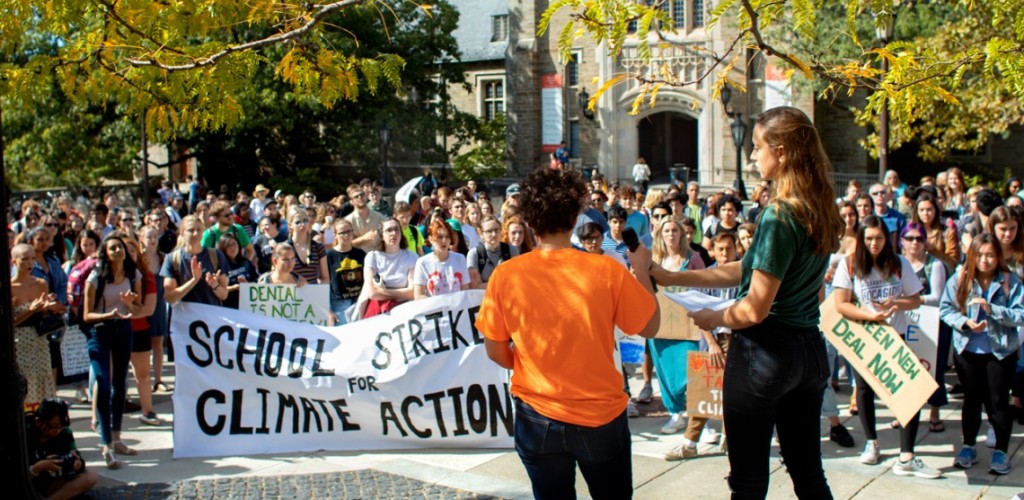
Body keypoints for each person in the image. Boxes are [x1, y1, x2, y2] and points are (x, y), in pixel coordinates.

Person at [650, 107, 839, 498]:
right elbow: (748, 268)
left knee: (748, 481)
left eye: (757, 148)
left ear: (782, 152)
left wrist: (711, 317)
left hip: (765, 353)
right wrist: (674, 277)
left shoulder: (779, 215)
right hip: (809, 350)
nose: (753, 156)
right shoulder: (818, 206)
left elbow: (754, 307)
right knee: (808, 472)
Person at [475, 167, 659, 499]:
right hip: (599, 415)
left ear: (529, 221)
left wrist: (534, 366)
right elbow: (649, 326)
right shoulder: (605, 270)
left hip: (537, 413)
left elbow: (496, 350)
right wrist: (643, 272)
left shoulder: (506, 275)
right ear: (575, 218)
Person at [832, 215, 939, 478]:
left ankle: (907, 455)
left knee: (908, 394)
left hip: (895, 337)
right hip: (865, 336)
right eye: (868, 238)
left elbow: (915, 300)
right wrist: (871, 316)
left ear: (887, 238)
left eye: (879, 238)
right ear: (860, 239)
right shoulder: (849, 264)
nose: (874, 243)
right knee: (864, 390)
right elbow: (840, 304)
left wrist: (895, 304)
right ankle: (872, 443)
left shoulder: (899, 263)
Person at [940, 233, 1024, 475]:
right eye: (979, 255)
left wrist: (992, 310)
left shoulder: (1010, 281)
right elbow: (945, 309)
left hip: (1000, 352)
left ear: (998, 256)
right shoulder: (960, 278)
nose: (985, 260)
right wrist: (965, 322)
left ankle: (1001, 450)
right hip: (968, 350)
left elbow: (1020, 314)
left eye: (990, 255)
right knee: (971, 401)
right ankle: (968, 446)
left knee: (998, 402)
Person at [82, 235, 143, 469]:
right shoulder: (96, 278)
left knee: (120, 385)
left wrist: (128, 304)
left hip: (123, 329)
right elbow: (86, 315)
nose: (118, 251)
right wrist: (109, 315)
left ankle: (117, 438)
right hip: (99, 331)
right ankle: (106, 444)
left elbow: (137, 309)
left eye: (121, 248)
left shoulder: (133, 275)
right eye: (113, 248)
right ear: (105, 253)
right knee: (103, 384)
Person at [648, 217, 706, 437]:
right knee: (665, 371)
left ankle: (697, 415)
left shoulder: (693, 258)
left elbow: (703, 287)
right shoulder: (654, 259)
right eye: (666, 231)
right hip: (660, 324)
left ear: (682, 234)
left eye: (675, 230)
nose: (671, 234)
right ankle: (675, 413)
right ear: (660, 235)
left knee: (688, 370)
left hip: (688, 324)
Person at [899, 222, 951, 433]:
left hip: (932, 326)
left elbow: (937, 297)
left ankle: (935, 412)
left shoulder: (934, 265)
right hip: (905, 323)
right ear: (902, 241)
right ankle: (906, 413)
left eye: (919, 239)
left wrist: (907, 299)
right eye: (910, 238)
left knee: (933, 370)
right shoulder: (897, 262)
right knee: (905, 370)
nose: (914, 243)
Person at [11, 244, 62, 410]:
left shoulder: (41, 283)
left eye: (33, 258)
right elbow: (12, 323)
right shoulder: (10, 288)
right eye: (24, 259)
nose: (29, 263)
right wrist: (30, 310)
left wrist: (50, 308)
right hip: (19, 343)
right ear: (14, 261)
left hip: (39, 341)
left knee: (42, 381)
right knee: (25, 383)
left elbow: (44, 315)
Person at [120, 234, 160, 426]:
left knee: (142, 375)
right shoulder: (107, 278)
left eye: (132, 250)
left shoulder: (147, 276)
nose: (128, 255)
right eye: (123, 251)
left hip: (139, 331)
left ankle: (148, 411)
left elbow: (148, 310)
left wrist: (125, 309)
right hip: (115, 332)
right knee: (112, 376)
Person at [27, 398, 99, 500]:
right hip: (28, 483)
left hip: (51, 482)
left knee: (91, 476)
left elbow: (78, 460)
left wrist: (77, 464)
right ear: (38, 422)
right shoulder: (25, 434)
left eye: (60, 426)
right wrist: (38, 468)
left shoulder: (64, 434)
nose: (57, 431)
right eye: (53, 426)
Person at [161, 215, 230, 306]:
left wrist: (215, 285)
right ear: (181, 233)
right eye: (191, 230)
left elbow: (224, 295)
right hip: (185, 317)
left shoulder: (216, 255)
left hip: (212, 315)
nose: (196, 233)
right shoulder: (172, 259)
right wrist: (194, 280)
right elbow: (169, 297)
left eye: (199, 230)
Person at [361, 218, 418, 318]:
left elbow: (414, 292)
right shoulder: (372, 257)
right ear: (381, 236)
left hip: (404, 311)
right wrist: (402, 293)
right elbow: (373, 293)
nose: (393, 233)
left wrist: (383, 291)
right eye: (389, 230)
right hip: (378, 312)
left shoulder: (412, 257)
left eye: (397, 229)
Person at [413, 219, 469, 299]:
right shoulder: (422, 262)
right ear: (430, 239)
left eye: (447, 237)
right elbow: (418, 295)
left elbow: (465, 289)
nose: (444, 240)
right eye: (439, 237)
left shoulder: (460, 259)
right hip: (434, 309)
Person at [325, 219, 365, 325]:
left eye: (349, 231)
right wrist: (328, 309)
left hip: (359, 301)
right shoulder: (329, 256)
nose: (346, 235)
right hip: (339, 303)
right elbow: (324, 281)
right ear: (335, 235)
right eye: (342, 233)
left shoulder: (361, 254)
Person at [468, 216, 518, 288]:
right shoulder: (474, 254)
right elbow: (474, 286)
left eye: (496, 230)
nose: (494, 234)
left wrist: (485, 284)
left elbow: (516, 279)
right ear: (481, 233)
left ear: (501, 230)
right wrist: (503, 284)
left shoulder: (511, 250)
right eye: (489, 231)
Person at [286, 207, 329, 285]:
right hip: (292, 293)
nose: (302, 224)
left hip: (313, 293)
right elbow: (278, 278)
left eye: (305, 221)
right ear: (290, 225)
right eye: (298, 222)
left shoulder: (318, 247)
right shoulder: (284, 248)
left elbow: (325, 279)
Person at [218, 232, 258, 309]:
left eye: (234, 244)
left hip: (248, 305)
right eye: (228, 245)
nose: (232, 248)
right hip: (228, 308)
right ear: (223, 248)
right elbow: (217, 288)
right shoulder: (220, 265)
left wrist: (247, 284)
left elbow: (257, 279)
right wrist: (234, 287)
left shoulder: (245, 262)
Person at [344, 184, 386, 252]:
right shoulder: (347, 221)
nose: (360, 197)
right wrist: (364, 238)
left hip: (379, 256)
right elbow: (346, 244)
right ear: (351, 202)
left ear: (366, 197)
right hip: (359, 259)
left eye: (362, 194)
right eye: (356, 196)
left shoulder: (379, 217)